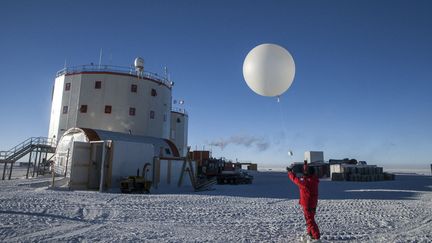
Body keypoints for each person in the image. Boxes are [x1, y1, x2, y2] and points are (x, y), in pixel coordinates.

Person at [287, 161, 320, 240]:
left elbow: (295, 180)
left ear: (308, 174)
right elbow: (306, 174)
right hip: (312, 203)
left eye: (305, 172)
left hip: (307, 204)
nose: (303, 173)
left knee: (310, 221)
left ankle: (316, 237)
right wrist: (305, 165)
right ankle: (310, 233)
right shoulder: (313, 179)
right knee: (309, 219)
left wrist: (290, 173)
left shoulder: (306, 183)